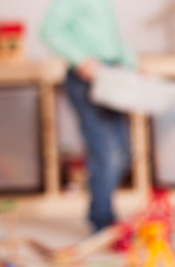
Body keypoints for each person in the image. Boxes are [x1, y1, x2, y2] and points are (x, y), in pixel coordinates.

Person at [40, 0, 136, 232]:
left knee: (123, 153)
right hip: (86, 79)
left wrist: (134, 65)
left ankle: (100, 212)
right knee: (106, 153)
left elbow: (112, 40)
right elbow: (49, 30)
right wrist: (81, 59)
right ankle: (102, 220)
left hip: (112, 73)